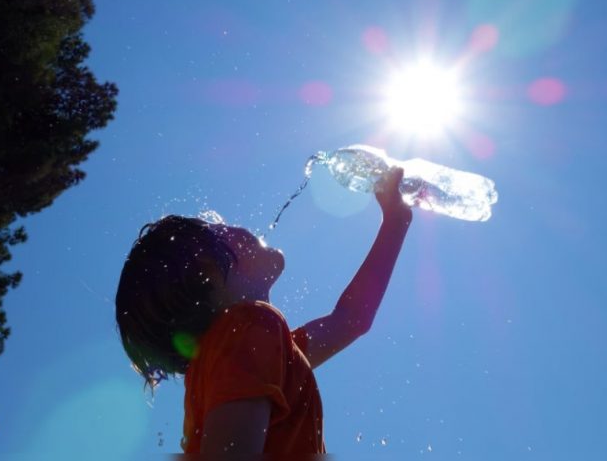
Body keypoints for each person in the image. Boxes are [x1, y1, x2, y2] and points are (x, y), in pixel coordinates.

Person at [115, 166, 412, 454]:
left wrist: (396, 221)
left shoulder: (250, 352)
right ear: (208, 271)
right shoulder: (246, 330)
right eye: (220, 230)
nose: (235, 227)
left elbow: (351, 320)